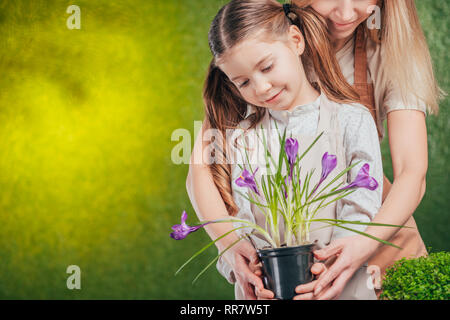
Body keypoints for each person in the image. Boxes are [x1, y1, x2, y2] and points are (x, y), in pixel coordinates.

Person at [187, 0, 442, 300]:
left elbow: (412, 174)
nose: (346, 14)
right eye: (243, 82)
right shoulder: (252, 39)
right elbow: (202, 169)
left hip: (376, 242)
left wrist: (360, 242)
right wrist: (230, 246)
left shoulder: (387, 55)